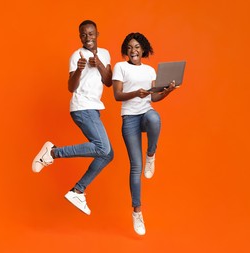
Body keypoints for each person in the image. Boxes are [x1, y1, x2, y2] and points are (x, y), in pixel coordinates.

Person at [32, 20, 114, 215]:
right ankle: (52, 153)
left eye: (91, 34)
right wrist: (79, 69)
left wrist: (99, 64)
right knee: (103, 148)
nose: (88, 38)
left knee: (107, 154)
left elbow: (109, 81)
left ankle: (78, 190)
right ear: (80, 37)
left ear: (97, 34)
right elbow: (71, 87)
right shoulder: (75, 56)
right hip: (82, 107)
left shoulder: (105, 54)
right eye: (84, 35)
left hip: (94, 108)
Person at [112, 32, 177, 235]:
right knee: (135, 168)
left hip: (145, 113)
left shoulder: (149, 70)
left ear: (144, 49)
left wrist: (167, 91)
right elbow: (117, 95)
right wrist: (135, 93)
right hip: (129, 118)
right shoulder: (120, 67)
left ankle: (151, 154)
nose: (134, 50)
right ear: (126, 50)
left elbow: (154, 98)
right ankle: (137, 211)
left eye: (137, 47)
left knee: (154, 118)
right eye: (130, 47)